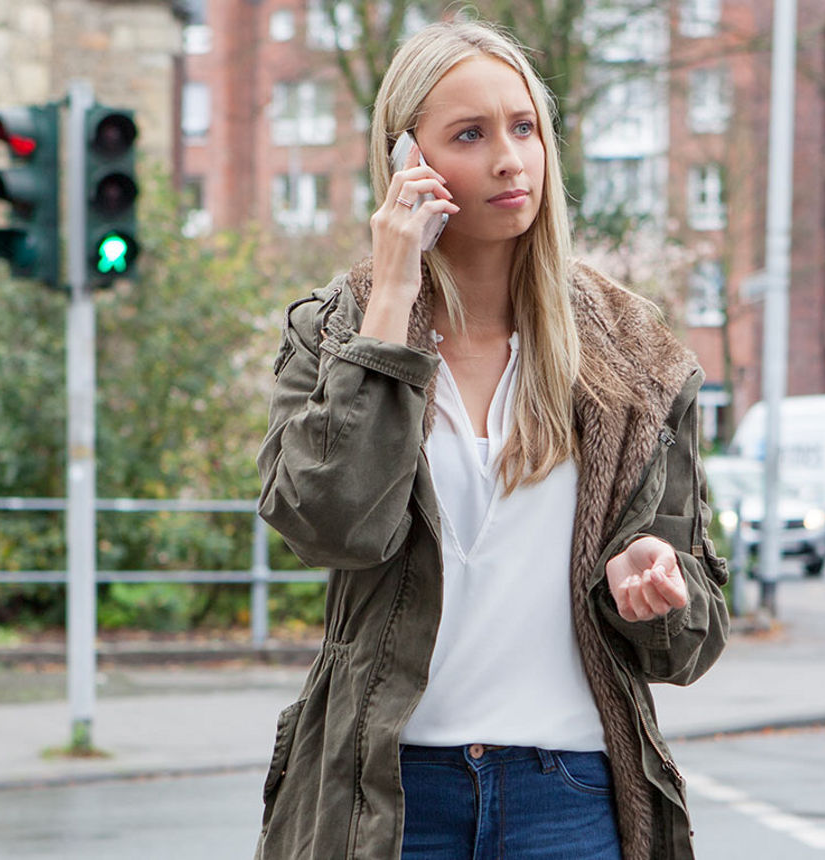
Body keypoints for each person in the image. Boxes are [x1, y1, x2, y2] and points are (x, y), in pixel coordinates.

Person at [255, 19, 729, 860]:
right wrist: (392, 299)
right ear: (408, 161)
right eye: (470, 135)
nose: (511, 159)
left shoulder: (632, 353)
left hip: (572, 794)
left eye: (524, 128)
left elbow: (693, 642)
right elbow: (331, 525)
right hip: (385, 797)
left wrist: (650, 587)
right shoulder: (334, 333)